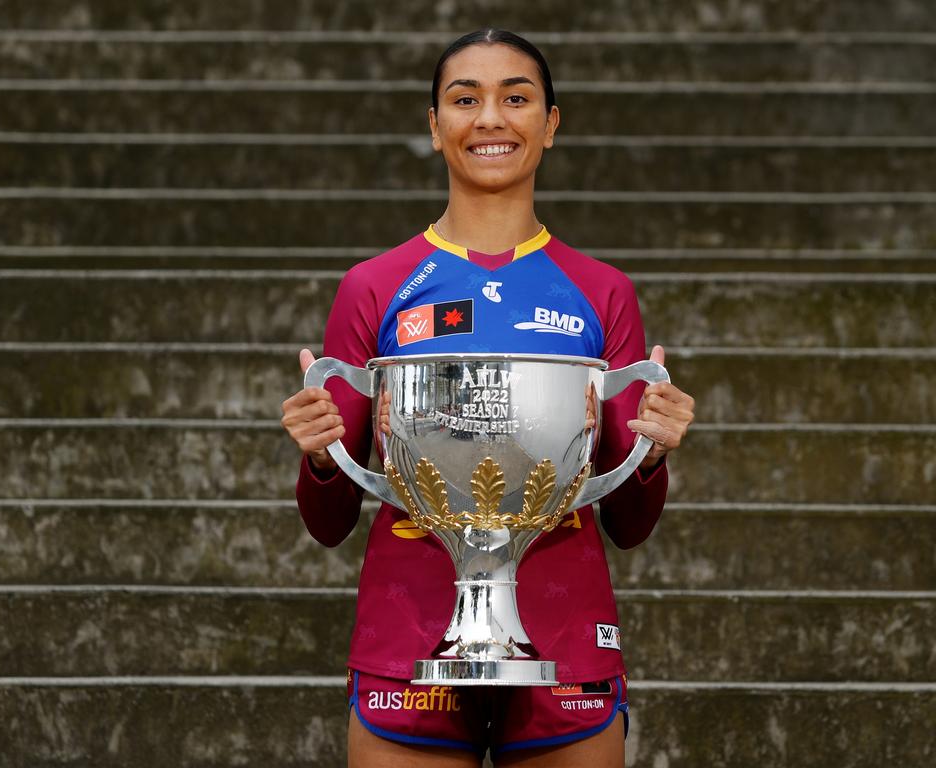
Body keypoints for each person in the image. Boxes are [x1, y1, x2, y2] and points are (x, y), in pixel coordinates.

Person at [280, 29, 696, 767]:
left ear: (551, 124)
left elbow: (629, 525)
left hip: (567, 630)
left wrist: (652, 452)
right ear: (434, 126)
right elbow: (330, 520)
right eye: (465, 99)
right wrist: (318, 457)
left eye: (517, 97)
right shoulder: (372, 287)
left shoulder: (602, 292)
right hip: (407, 629)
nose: (491, 119)